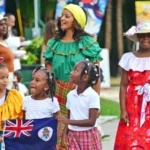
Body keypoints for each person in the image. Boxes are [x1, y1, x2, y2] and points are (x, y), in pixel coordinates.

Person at [43, 4, 102, 149]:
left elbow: (96, 76)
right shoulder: (53, 44)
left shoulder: (88, 44)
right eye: (62, 16)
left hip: (81, 96)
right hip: (57, 95)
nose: (62, 19)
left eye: (67, 16)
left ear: (76, 21)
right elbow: (48, 75)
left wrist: (96, 103)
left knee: (78, 135)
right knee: (57, 136)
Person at [114, 21, 150, 149]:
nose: (145, 38)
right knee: (131, 136)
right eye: (142, 35)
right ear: (137, 38)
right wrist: (123, 110)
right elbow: (123, 85)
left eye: (148, 35)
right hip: (132, 104)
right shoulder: (128, 57)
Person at [56, 60, 102, 150]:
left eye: (75, 70)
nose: (71, 72)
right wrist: (65, 134)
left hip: (88, 135)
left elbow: (91, 121)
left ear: (85, 77)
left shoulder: (93, 96)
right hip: (72, 135)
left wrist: (68, 122)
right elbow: (69, 117)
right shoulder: (70, 95)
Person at [22, 66, 60, 148]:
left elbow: (58, 120)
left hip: (46, 142)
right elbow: (23, 119)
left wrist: (56, 138)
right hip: (30, 141)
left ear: (46, 87)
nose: (32, 82)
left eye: (37, 80)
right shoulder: (26, 100)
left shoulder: (52, 102)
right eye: (32, 79)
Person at [0, 63, 23, 150]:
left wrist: (11, 123)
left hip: (11, 139)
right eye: (1, 78)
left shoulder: (15, 96)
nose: (5, 80)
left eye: (7, 77)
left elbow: (21, 118)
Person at [0, 14, 14, 89]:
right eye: (1, 24)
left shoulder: (4, 42)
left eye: (5, 24)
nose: (4, 26)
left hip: (9, 81)